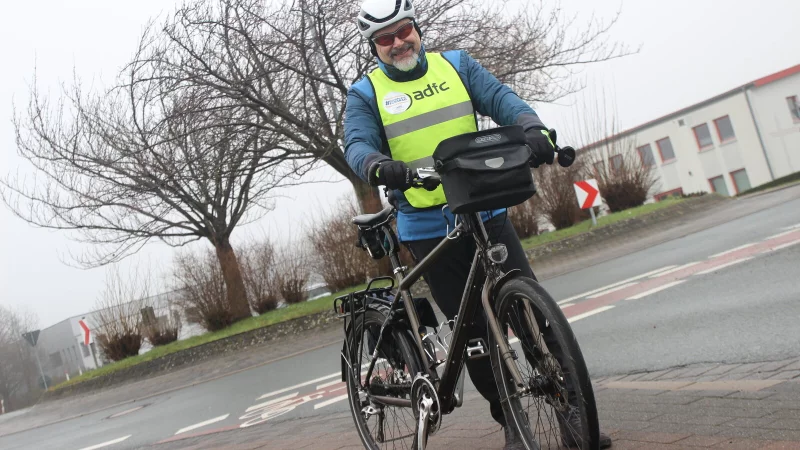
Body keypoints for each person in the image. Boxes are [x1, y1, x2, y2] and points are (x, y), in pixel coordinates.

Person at [344, 1, 612, 448]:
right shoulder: (365, 93)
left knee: (532, 317)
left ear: (416, 29)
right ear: (374, 47)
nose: (398, 43)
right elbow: (356, 143)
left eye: (403, 30)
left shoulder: (457, 65)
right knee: (476, 337)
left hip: (484, 206)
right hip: (429, 226)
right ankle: (511, 421)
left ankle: (571, 416)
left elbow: (502, 99)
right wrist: (378, 165)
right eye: (385, 38)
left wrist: (532, 128)